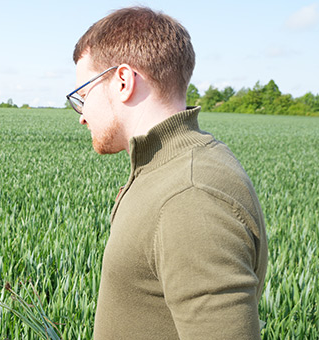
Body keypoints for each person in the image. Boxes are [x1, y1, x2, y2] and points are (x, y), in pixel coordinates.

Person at [66, 7, 268, 339]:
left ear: (123, 81)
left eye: (84, 96)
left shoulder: (191, 195)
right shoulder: (165, 168)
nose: (82, 115)